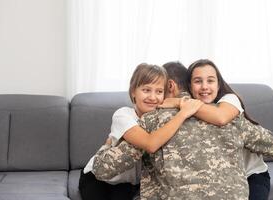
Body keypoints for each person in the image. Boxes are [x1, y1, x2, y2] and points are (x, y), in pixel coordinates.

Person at [92, 61, 273, 199]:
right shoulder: (230, 118)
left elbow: (101, 170)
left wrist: (107, 145)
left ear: (170, 86)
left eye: (160, 90)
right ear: (190, 85)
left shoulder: (152, 120)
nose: (156, 98)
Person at [79, 63, 202, 200]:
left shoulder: (162, 119)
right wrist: (183, 112)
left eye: (159, 92)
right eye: (146, 90)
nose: (153, 97)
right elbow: (150, 143)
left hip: (127, 184)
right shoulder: (123, 115)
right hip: (98, 179)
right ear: (133, 92)